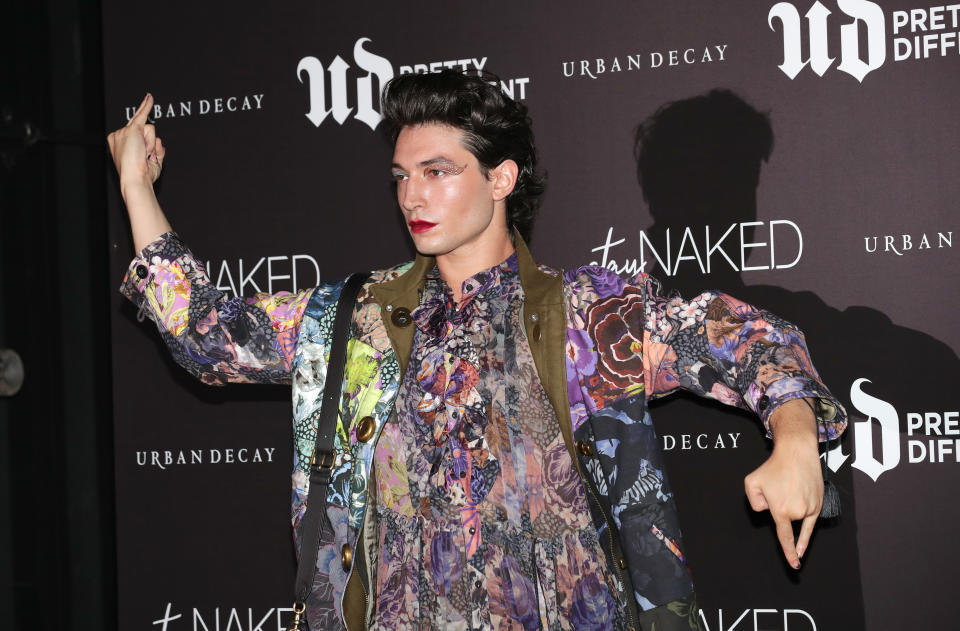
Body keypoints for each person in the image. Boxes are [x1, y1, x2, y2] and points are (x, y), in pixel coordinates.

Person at [108, 70, 846, 631]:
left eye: (437, 171)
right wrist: (136, 186)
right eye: (402, 176)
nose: (411, 197)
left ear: (501, 178)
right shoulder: (356, 322)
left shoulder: (585, 315)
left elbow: (742, 335)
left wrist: (794, 433)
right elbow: (208, 335)